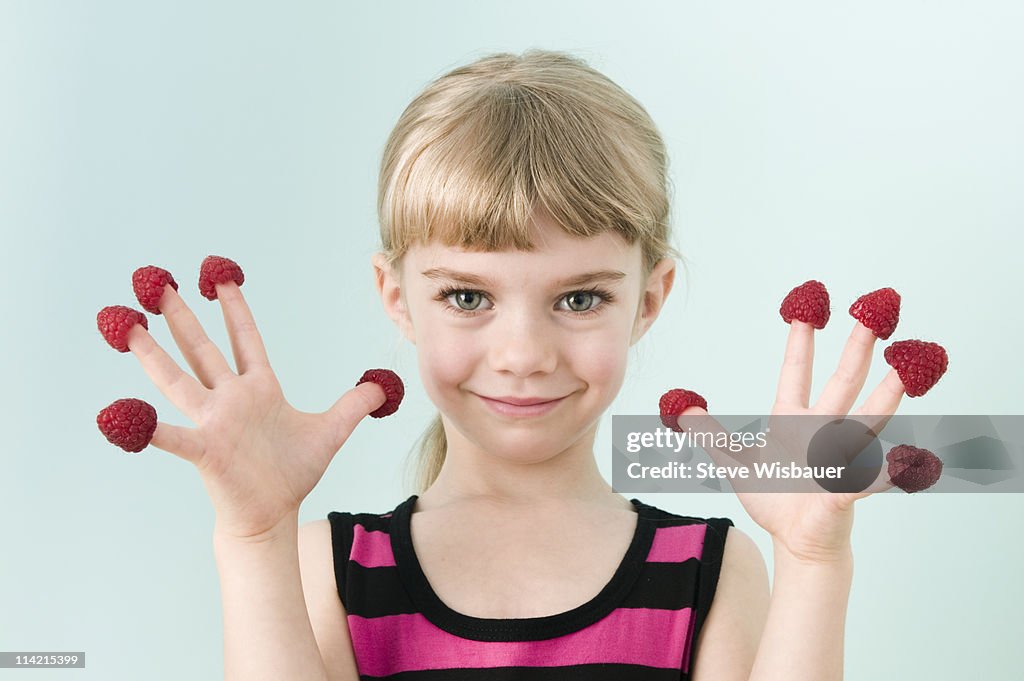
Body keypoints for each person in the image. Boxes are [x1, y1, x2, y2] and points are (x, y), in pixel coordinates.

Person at [126, 49, 910, 680]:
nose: (525, 355)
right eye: (468, 297)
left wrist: (813, 559)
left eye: (579, 299)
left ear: (649, 298)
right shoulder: (326, 569)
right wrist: (254, 537)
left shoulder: (710, 572)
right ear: (395, 296)